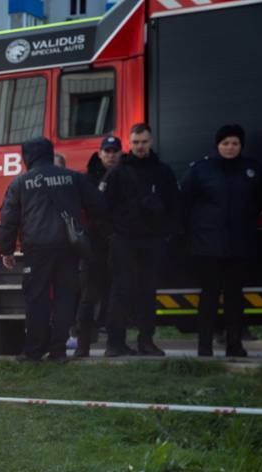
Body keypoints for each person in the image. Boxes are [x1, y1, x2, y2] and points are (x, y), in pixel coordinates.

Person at [0, 137, 98, 362]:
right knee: (65, 297)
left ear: (27, 157)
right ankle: (58, 350)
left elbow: (8, 218)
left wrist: (6, 250)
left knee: (37, 299)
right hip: (68, 247)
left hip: (36, 249)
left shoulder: (20, 183)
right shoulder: (73, 177)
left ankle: (34, 350)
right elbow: (97, 204)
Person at [181, 125, 262, 358]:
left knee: (235, 299)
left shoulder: (252, 170)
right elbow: (185, 203)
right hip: (208, 247)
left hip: (239, 246)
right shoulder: (201, 170)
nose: (230, 147)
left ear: (241, 146)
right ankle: (204, 348)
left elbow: (260, 201)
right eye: (225, 143)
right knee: (208, 298)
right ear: (217, 145)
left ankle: (234, 345)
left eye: (235, 143)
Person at [102, 123, 180, 357]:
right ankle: (115, 344)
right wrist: (112, 235)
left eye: (144, 142)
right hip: (124, 240)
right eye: (135, 142)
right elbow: (103, 207)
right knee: (120, 292)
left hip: (152, 241)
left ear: (151, 141)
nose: (140, 146)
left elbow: (174, 205)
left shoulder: (163, 172)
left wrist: (167, 234)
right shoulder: (117, 172)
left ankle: (146, 341)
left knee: (148, 292)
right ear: (130, 142)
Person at [74, 135, 122, 357]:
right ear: (100, 153)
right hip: (92, 247)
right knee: (88, 298)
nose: (111, 155)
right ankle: (83, 345)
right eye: (107, 151)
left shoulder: (124, 176)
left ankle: (115, 345)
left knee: (116, 297)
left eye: (115, 151)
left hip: (119, 244)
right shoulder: (86, 179)